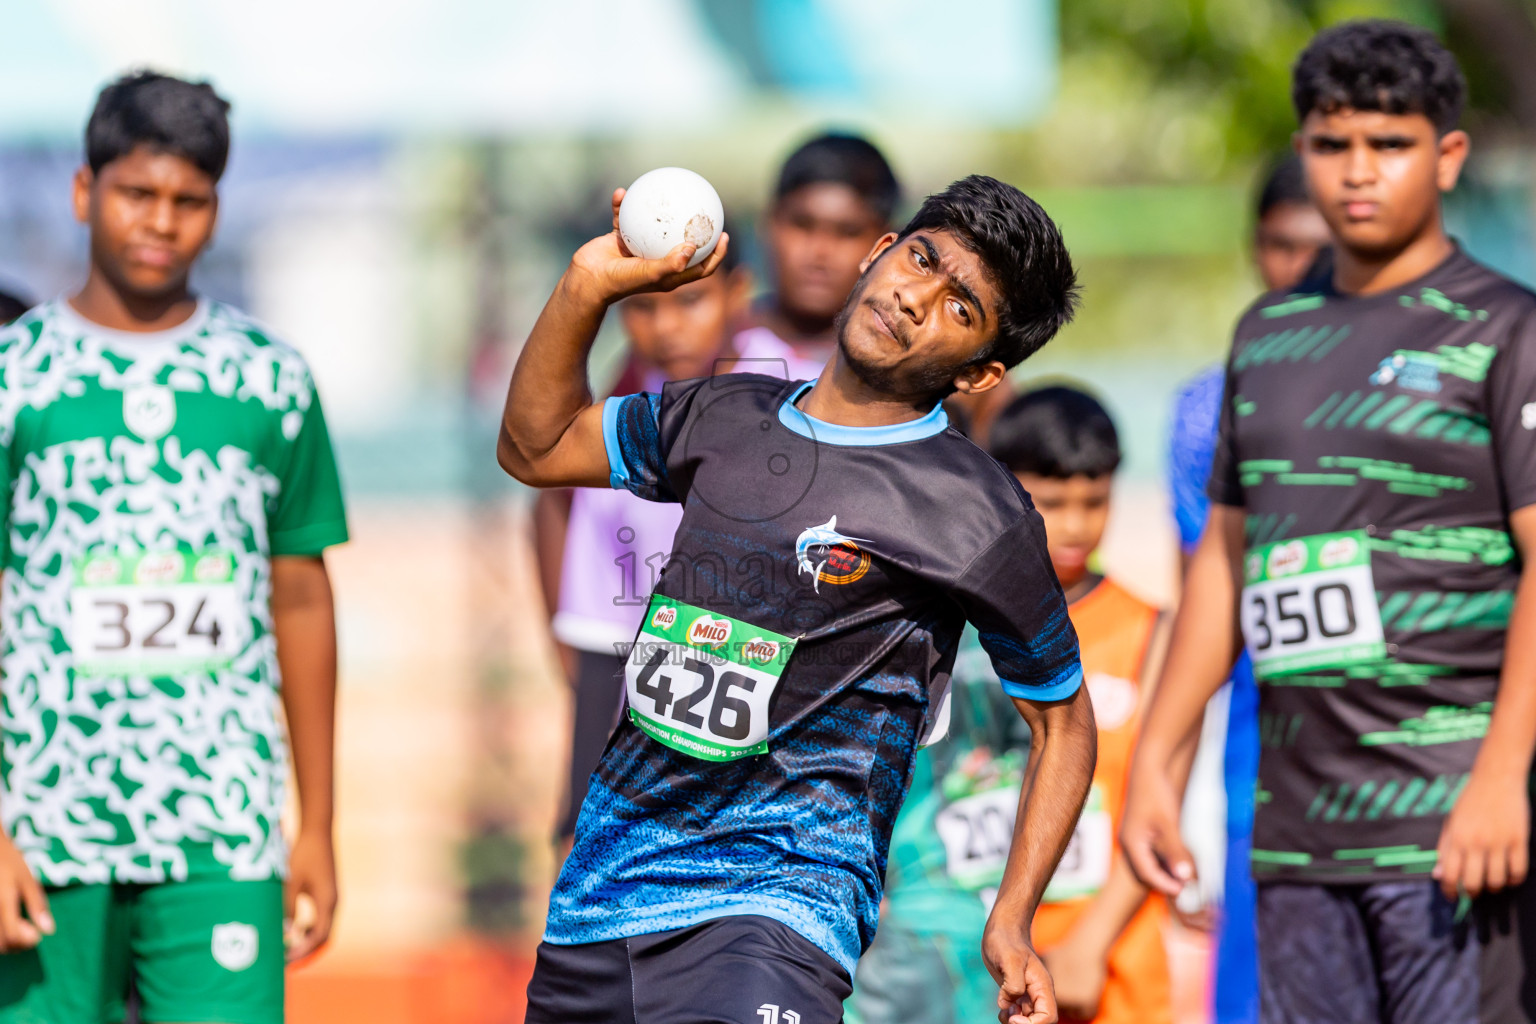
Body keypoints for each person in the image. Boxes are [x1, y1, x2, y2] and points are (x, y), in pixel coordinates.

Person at [499, 174, 1094, 1024]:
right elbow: (537, 446)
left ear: (981, 372)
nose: (918, 297)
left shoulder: (979, 511)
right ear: (880, 253)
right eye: (922, 259)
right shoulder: (723, 414)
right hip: (602, 894)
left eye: (962, 307)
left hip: (778, 911)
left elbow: (1064, 722)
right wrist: (589, 286)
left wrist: (1013, 914)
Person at [1124, 20, 1536, 1022]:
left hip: (1448, 827)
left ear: (1445, 155)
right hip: (1297, 838)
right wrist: (1156, 764)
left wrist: (1500, 779)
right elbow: (1222, 567)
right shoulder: (1264, 337)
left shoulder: (1505, 330)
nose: (1359, 172)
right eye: (1332, 142)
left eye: (1389, 144)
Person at [0, 72, 347, 1024]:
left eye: (189, 202)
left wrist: (314, 824)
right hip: (43, 821)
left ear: (216, 211)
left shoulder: (269, 380)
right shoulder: (15, 378)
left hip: (221, 824)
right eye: (136, 194)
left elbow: (303, 597)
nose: (161, 223)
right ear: (84, 192)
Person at [850, 386, 1172, 1024]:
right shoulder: (946, 628)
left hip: (1106, 961)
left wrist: (1091, 945)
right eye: (1052, 503)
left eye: (1095, 501)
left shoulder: (1151, 632)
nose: (1076, 525)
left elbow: (1156, 810)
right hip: (966, 964)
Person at [545, 234, 818, 845]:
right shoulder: (620, 426)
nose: (665, 326)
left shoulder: (811, 397)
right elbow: (602, 644)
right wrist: (578, 817)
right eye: (643, 306)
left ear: (738, 292)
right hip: (661, 747)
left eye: (689, 301)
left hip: (796, 753)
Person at [1165, 154, 1329, 1024]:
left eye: (1318, 245)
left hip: (1409, 750)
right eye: (1278, 244)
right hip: (1257, 756)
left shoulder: (1422, 386)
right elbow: (1203, 606)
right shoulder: (1208, 411)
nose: (1296, 267)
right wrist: (1173, 785)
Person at [736, 132, 899, 366]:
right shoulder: (710, 344)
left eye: (848, 232)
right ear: (768, 224)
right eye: (802, 225)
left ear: (885, 244)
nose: (819, 253)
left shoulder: (902, 370)